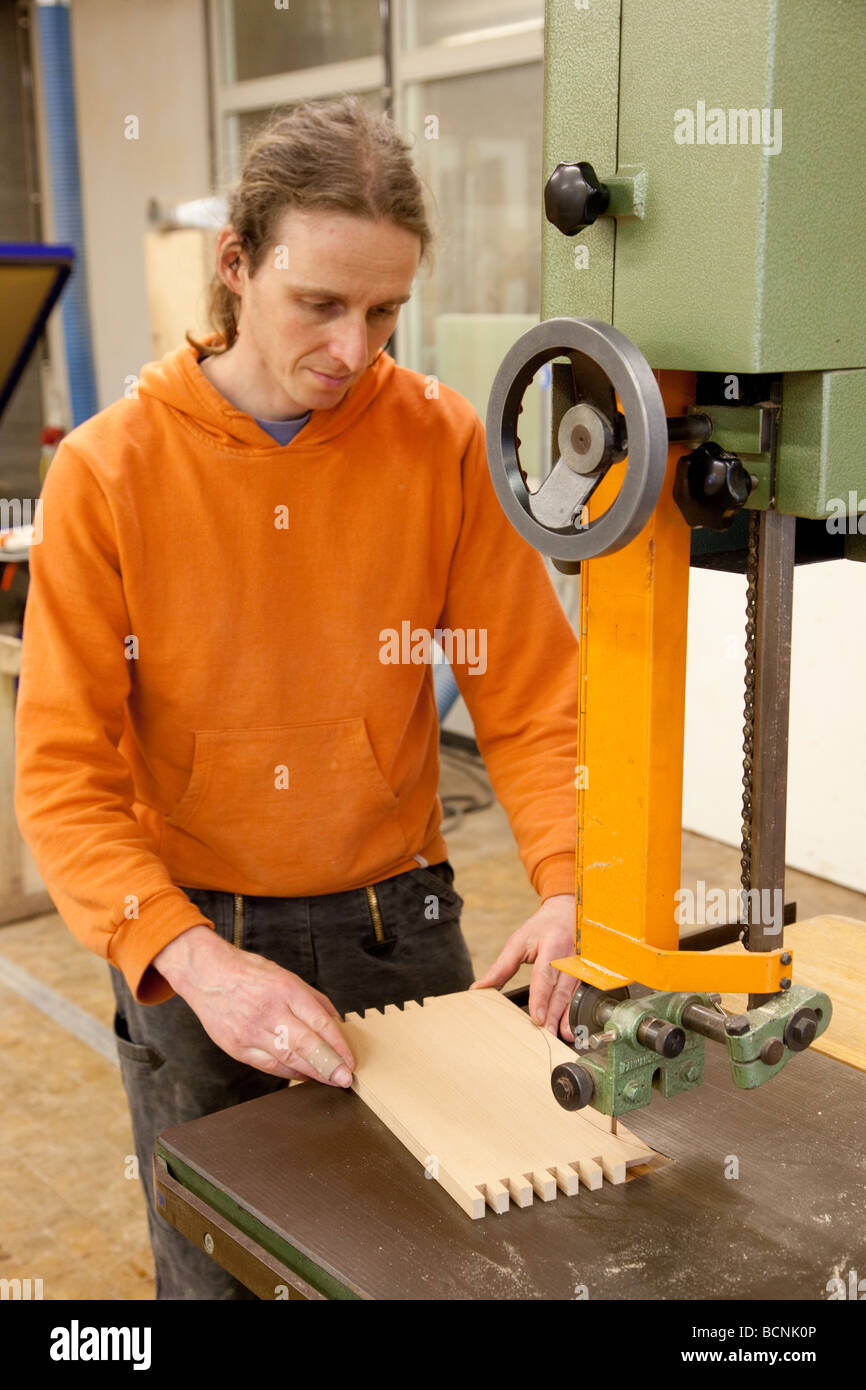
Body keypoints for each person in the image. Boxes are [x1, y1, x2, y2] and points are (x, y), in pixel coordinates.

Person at [14, 96, 580, 1300]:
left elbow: (532, 703)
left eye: (384, 310)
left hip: (402, 935)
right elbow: (65, 776)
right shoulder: (109, 472)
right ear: (236, 263)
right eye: (317, 303)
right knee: (215, 1278)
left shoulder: (441, 442)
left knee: (429, 1270)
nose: (354, 347)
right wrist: (194, 964)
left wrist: (573, 881)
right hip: (190, 949)